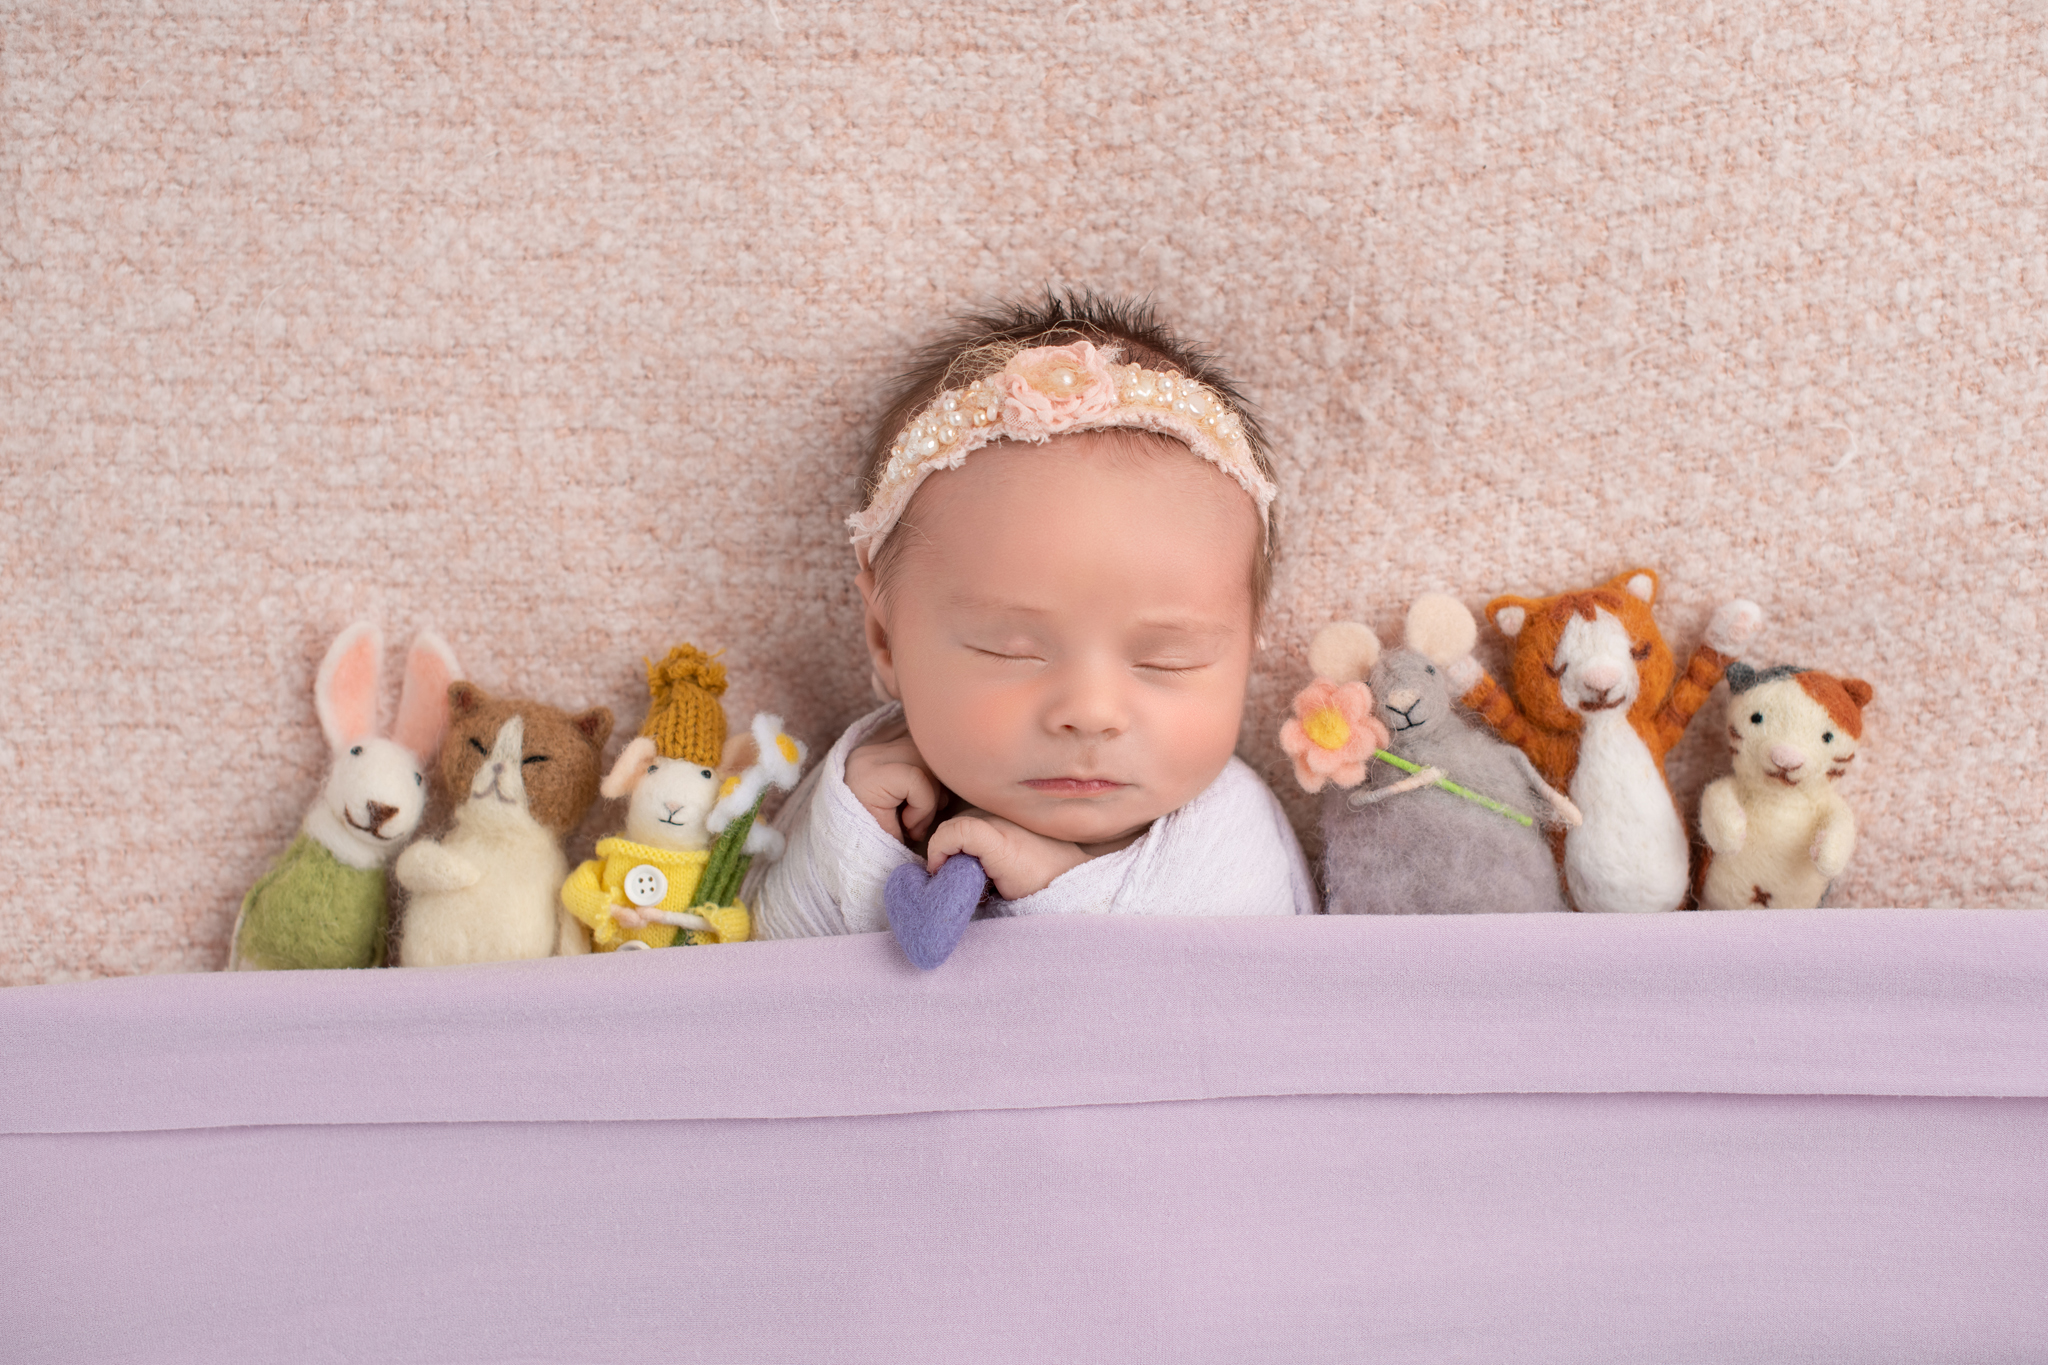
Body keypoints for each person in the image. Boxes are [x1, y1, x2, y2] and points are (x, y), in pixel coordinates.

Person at [749, 290, 1316, 938]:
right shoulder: (866, 785)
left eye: (1167, 659)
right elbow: (754, 959)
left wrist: (1055, 882)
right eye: (1010, 650)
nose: (1091, 712)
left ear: (1245, 651)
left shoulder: (1227, 825)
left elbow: (1237, 980)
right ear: (885, 640)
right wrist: (855, 838)